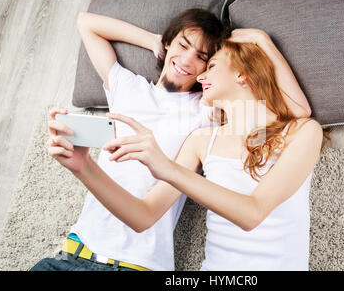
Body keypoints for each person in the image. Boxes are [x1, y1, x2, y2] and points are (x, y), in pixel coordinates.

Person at [30, 8, 312, 271]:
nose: (192, 63)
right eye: (183, 45)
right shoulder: (128, 87)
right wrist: (156, 41)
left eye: (205, 60)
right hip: (70, 252)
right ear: (168, 43)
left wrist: (261, 40)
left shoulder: (204, 110)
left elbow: (295, 112)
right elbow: (86, 22)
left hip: (135, 263)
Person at [101, 39, 329, 271]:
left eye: (211, 67)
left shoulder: (302, 131)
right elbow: (144, 216)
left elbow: (253, 213)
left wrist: (262, 40)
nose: (200, 77)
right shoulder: (201, 141)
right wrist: (82, 166)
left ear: (242, 74)